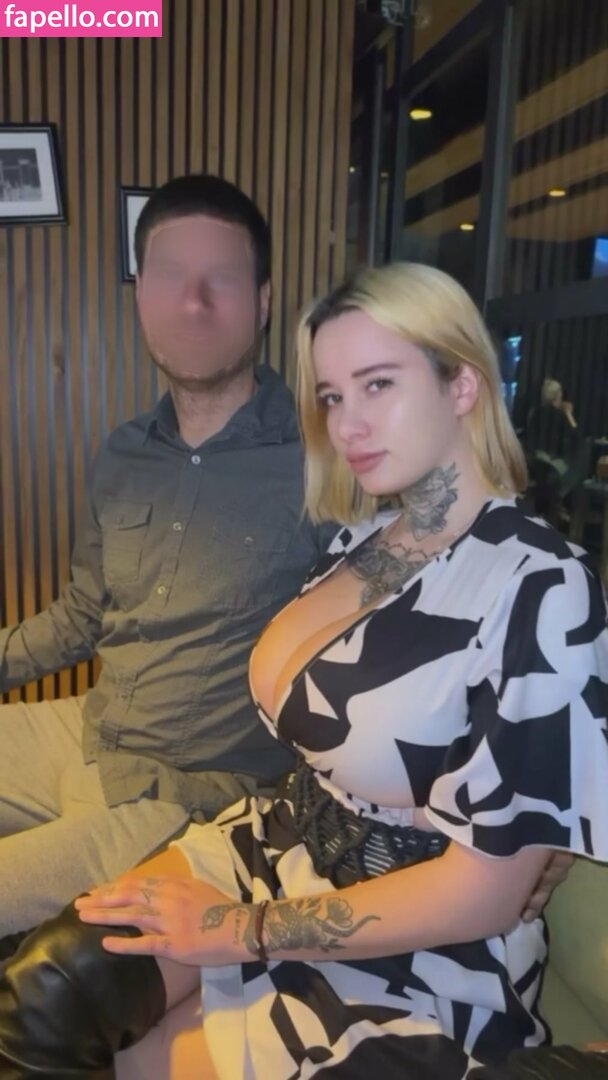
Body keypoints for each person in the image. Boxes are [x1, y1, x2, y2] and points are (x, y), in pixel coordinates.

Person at [1, 263, 605, 1079]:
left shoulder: (541, 582)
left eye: (378, 383)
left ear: (462, 383)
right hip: (272, 844)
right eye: (330, 395)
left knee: (148, 1057)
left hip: (417, 944)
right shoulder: (362, 540)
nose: (347, 423)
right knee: (47, 990)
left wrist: (238, 931)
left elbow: (489, 892)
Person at [0, 174, 336, 942]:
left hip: (190, 792)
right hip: (87, 731)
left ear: (263, 301)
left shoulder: (328, 460)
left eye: (221, 278)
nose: (194, 303)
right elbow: (82, 616)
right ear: (141, 296)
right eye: (170, 276)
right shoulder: (123, 452)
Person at [526, 377, 580, 462]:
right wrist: (569, 414)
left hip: (535, 459)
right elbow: (577, 438)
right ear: (558, 394)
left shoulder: (535, 412)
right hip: (553, 462)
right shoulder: (561, 416)